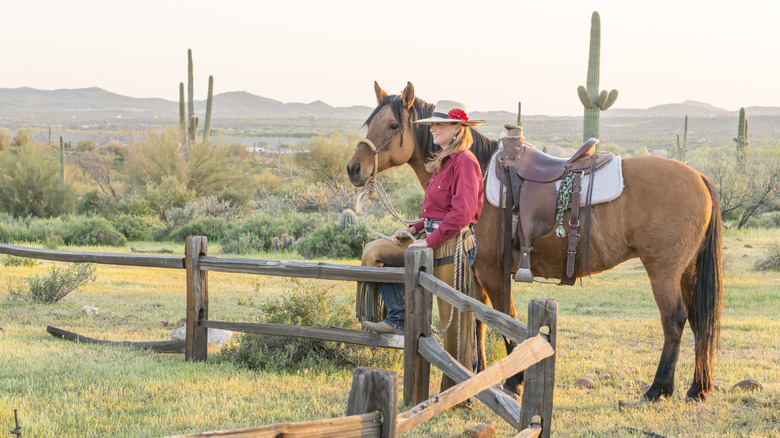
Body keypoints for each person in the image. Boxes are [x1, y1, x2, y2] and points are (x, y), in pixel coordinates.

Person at [360, 100, 484, 357]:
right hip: (430, 236)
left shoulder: (465, 162)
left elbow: (461, 214)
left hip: (452, 245)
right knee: (375, 252)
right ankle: (399, 317)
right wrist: (414, 229)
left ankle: (460, 387)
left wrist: (429, 241)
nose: (432, 129)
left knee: (453, 326)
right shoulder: (442, 160)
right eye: (432, 124)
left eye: (439, 124)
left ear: (458, 129)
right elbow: (438, 210)